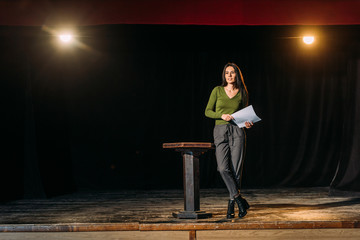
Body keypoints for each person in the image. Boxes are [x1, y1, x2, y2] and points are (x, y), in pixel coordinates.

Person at [205, 62, 253, 219]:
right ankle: (239, 199)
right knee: (222, 168)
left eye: (232, 73)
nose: (230, 75)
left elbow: (245, 114)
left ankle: (232, 204)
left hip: (237, 131)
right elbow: (207, 111)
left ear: (237, 75)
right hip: (220, 131)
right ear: (224, 75)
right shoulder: (217, 90)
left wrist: (247, 122)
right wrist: (221, 115)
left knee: (236, 170)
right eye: (227, 73)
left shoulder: (242, 92)